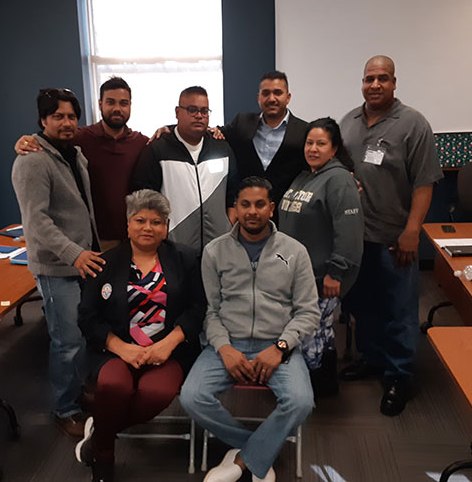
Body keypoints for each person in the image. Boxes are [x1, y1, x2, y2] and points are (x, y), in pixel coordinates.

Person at [180, 177, 319, 482]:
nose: (252, 211)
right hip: (228, 343)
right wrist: (225, 348)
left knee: (301, 401)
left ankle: (243, 460)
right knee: (192, 397)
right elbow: (210, 311)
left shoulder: (295, 251)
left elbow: (308, 311)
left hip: (277, 345)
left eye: (260, 204)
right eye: (245, 204)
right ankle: (256, 450)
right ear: (235, 209)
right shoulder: (215, 251)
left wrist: (281, 348)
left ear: (272, 208)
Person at [338, 55, 443, 416]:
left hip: (395, 237)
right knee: (362, 305)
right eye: (369, 78)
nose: (375, 84)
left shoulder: (413, 124)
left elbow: (425, 181)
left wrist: (412, 231)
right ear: (362, 83)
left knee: (398, 309)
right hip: (356, 237)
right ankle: (373, 358)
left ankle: (400, 375)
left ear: (395, 83)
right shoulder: (348, 122)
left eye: (383, 78)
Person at [76, 189, 205, 482]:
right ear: (128, 224)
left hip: (169, 349)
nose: (148, 227)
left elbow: (199, 308)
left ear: (166, 227)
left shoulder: (185, 258)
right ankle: (104, 459)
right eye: (140, 220)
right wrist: (121, 347)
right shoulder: (105, 263)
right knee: (114, 388)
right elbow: (87, 318)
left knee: (155, 393)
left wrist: (170, 342)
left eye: (157, 222)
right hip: (115, 350)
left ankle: (100, 434)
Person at [11, 88, 105, 436]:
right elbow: (36, 222)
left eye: (70, 116)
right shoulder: (32, 160)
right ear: (43, 120)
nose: (66, 123)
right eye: (58, 117)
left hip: (82, 261)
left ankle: (78, 392)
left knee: (81, 334)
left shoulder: (74, 153)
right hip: (57, 267)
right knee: (66, 341)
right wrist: (74, 254)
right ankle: (64, 409)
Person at [278, 117, 364, 396]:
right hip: (297, 275)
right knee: (319, 333)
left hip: (322, 277)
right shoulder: (306, 176)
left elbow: (349, 234)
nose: (313, 148)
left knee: (309, 333)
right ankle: (324, 386)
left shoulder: (339, 180)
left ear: (334, 148)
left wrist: (336, 273)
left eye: (321, 143)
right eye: (309, 142)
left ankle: (307, 390)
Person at [14, 77, 149, 251]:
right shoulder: (78, 138)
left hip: (134, 239)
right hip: (94, 242)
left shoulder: (142, 143)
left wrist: (166, 129)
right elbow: (48, 139)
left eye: (123, 103)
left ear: (130, 105)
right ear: (100, 104)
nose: (117, 108)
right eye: (110, 102)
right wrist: (26, 140)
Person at [131, 86, 238, 253]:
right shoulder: (157, 150)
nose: (199, 116)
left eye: (204, 111)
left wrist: (228, 227)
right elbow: (144, 201)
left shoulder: (222, 148)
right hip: (174, 250)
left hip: (218, 250)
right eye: (192, 109)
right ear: (177, 112)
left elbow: (233, 195)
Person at [220, 70, 308, 210]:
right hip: (248, 212)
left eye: (278, 93)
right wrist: (172, 130)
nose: (272, 99)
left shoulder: (304, 131)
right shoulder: (242, 123)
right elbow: (212, 133)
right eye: (265, 93)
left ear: (288, 97)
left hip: (287, 213)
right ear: (258, 97)